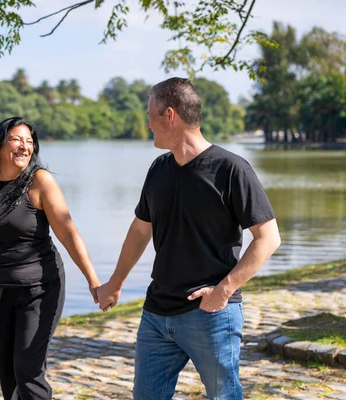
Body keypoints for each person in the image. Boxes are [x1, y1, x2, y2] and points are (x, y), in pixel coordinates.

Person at [97, 77, 281, 400]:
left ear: (170, 116)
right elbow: (140, 230)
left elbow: (268, 238)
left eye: (150, 115)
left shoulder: (231, 170)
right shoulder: (158, 170)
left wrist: (223, 291)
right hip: (157, 313)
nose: (147, 124)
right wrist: (115, 281)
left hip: (209, 314)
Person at [0, 116, 101, 400]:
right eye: (16, 139)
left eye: (29, 142)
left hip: (40, 288)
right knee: (8, 373)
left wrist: (92, 279)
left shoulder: (40, 182)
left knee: (28, 368)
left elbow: (68, 232)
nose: (24, 147)